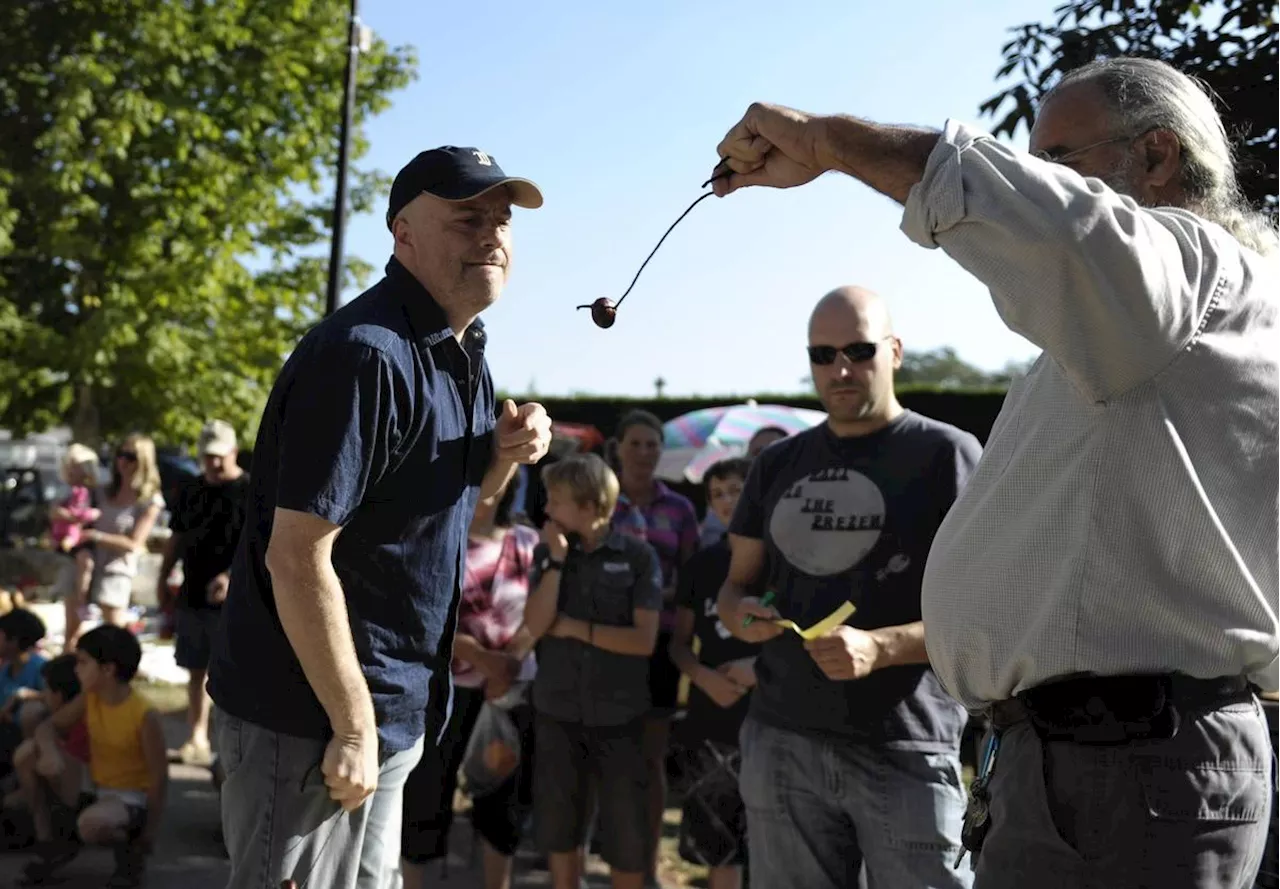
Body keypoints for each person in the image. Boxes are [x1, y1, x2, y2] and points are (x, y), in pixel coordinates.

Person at [709, 57, 1279, 888]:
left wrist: (831, 141)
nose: (1040, 184)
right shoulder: (1167, 328)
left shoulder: (1196, 273)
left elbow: (1064, 231)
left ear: (1157, 157)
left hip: (1124, 770)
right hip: (1094, 766)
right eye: (820, 354)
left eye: (1060, 165)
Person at [205, 145, 552, 889]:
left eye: (501, 219)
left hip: (383, 714)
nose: (492, 233)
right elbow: (296, 555)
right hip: (313, 723)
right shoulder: (364, 355)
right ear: (403, 233)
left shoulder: (464, 352)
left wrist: (504, 455)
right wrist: (354, 723)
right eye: (467, 217)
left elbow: (453, 515)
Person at [717, 287, 982, 889]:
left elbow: (986, 613)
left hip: (904, 743)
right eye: (822, 354)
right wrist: (740, 616)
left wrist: (880, 647)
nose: (840, 369)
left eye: (859, 350)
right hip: (781, 737)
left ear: (895, 351)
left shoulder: (947, 454)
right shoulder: (777, 463)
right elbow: (735, 588)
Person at [523, 453, 663, 889]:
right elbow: (535, 624)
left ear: (588, 504)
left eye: (557, 500)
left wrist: (577, 629)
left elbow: (643, 641)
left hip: (621, 719)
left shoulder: (639, 557)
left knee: (626, 835)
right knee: (560, 832)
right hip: (557, 713)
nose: (547, 510)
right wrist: (558, 564)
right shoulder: (548, 552)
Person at [400, 477, 538, 889]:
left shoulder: (529, 541)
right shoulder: (435, 535)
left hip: (507, 695)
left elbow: (545, 607)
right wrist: (479, 657)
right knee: (425, 798)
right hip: (441, 692)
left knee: (502, 801)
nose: (487, 488)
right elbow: (418, 615)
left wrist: (507, 664)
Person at [609, 409, 699, 886]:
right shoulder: (601, 500)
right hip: (607, 649)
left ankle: (646, 864)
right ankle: (601, 859)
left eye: (652, 445)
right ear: (618, 448)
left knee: (650, 758)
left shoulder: (680, 509)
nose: (645, 453)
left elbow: (691, 579)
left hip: (661, 647)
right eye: (636, 444)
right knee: (605, 756)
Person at [19, 625, 167, 888]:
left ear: (107, 670)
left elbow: (159, 779)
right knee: (28, 753)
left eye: (83, 663)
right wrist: (51, 752)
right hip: (96, 787)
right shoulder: (91, 697)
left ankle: (130, 852)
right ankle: (49, 843)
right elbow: (48, 727)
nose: (77, 670)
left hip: (130, 798)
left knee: (91, 824)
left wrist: (150, 834)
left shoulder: (144, 715)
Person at [668, 457, 757, 889]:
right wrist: (703, 678)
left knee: (773, 847)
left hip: (771, 722)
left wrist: (759, 669)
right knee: (719, 846)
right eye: (717, 494)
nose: (726, 501)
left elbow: (803, 640)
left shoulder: (779, 561)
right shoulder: (701, 566)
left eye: (735, 490)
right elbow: (679, 644)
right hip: (711, 724)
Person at [156, 419, 248, 766]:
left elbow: (255, 547)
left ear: (233, 452)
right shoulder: (191, 490)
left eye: (219, 457)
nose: (212, 463)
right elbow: (176, 538)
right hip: (193, 591)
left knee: (228, 672)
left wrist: (231, 577)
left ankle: (227, 746)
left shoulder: (249, 492)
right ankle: (195, 736)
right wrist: (163, 577)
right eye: (207, 456)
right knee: (195, 669)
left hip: (234, 600)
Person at [78, 435, 165, 636]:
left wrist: (96, 536)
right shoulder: (103, 490)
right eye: (120, 454)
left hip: (117, 570)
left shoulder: (149, 500)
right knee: (76, 631)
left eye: (130, 456)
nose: (122, 461)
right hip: (88, 565)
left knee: (112, 632)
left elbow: (134, 544)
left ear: (143, 461)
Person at [8, 655, 87, 849]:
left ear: (58, 695)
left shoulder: (78, 720)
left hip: (80, 794)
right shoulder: (77, 711)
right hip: (82, 789)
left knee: (27, 755)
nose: (44, 695)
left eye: (47, 690)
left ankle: (52, 836)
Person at [50, 444, 101, 641]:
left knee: (85, 563)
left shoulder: (93, 492)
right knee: (70, 616)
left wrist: (74, 517)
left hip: (84, 542)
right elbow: (55, 512)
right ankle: (79, 604)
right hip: (69, 542)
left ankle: (83, 599)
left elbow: (90, 515)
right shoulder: (66, 490)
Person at [0, 609, 50, 776]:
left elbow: (56, 697)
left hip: (25, 740)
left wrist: (24, 695)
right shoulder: (6, 669)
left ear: (13, 640)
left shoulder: (41, 667)